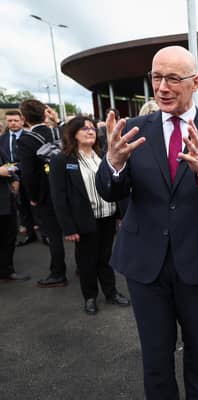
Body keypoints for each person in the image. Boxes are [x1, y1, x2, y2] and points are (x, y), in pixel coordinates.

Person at [95, 45, 198, 400]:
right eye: (156, 77)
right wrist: (113, 163)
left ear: (195, 83)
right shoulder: (132, 130)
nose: (162, 87)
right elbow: (108, 191)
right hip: (145, 263)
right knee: (155, 356)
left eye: (173, 78)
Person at [49, 116, 130, 315]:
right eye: (84, 128)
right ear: (73, 133)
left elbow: (114, 184)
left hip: (107, 215)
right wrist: (68, 227)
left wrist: (119, 213)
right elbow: (59, 197)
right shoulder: (62, 159)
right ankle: (90, 297)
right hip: (84, 219)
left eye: (92, 128)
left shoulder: (102, 155)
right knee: (87, 260)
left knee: (105, 257)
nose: (90, 131)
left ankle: (111, 293)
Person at [18, 99, 67, 288]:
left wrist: (32, 197)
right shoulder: (56, 132)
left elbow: (28, 174)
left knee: (54, 235)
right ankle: (83, 266)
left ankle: (58, 273)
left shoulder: (26, 140)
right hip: (65, 188)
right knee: (74, 230)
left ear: (24, 118)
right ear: (44, 114)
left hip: (45, 193)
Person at [0, 110, 37, 246]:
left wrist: (16, 167)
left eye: (16, 120)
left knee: (35, 205)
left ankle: (45, 234)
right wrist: (10, 170)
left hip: (28, 176)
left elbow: (34, 158)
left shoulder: (30, 137)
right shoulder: (2, 139)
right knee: (21, 207)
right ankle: (29, 233)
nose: (13, 123)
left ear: (22, 121)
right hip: (10, 179)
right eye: (10, 121)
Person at [0, 147, 30, 282]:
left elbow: (8, 164)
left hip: (6, 199)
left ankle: (6, 271)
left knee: (9, 236)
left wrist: (15, 179)